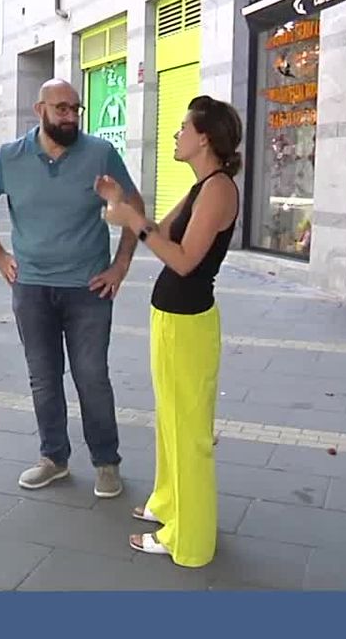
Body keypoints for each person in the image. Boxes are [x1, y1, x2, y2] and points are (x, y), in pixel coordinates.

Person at [0, 78, 146, 499]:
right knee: (43, 378)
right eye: (61, 108)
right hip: (31, 289)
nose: (70, 116)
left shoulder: (100, 153)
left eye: (75, 109)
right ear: (40, 110)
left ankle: (106, 462)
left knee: (91, 377)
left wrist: (120, 266)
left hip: (88, 289)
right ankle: (54, 458)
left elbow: (134, 208)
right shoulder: (11, 157)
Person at [97, 95, 243, 567]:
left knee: (189, 434)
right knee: (170, 424)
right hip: (172, 320)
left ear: (204, 137)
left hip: (189, 323)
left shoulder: (219, 189)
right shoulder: (203, 185)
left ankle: (190, 538)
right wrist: (121, 204)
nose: (176, 135)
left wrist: (133, 222)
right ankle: (169, 504)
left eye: (183, 127)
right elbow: (160, 229)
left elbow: (183, 261)